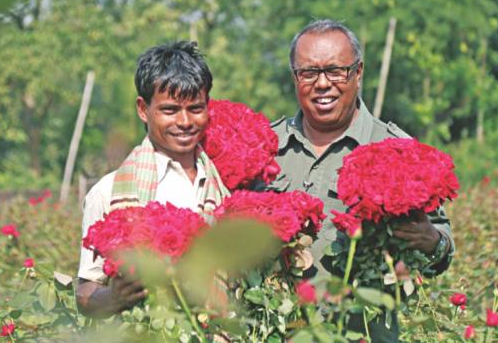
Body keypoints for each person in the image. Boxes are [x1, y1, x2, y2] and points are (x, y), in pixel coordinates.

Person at [270, 20, 455, 342]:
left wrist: (429, 241)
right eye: (309, 73)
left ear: (358, 73)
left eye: (336, 70)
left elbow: (441, 246)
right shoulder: (266, 147)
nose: (323, 84)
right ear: (294, 78)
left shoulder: (396, 150)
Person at [76, 41, 230, 317]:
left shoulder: (226, 185)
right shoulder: (109, 192)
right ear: (143, 109)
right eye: (169, 110)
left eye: (195, 108)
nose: (184, 122)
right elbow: (85, 293)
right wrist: (114, 296)